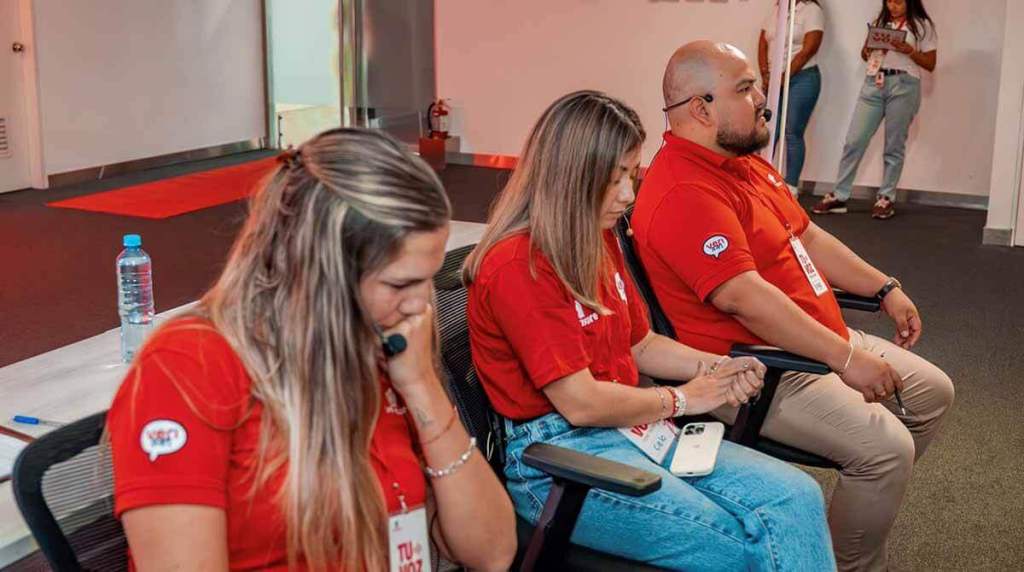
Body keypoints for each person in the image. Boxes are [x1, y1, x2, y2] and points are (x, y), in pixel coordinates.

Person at [106, 128, 516, 571]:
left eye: (427, 278)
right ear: (319, 273)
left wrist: (423, 390)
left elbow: (492, 552)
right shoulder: (188, 368)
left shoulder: (381, 348)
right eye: (401, 283)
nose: (421, 305)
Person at [464, 90, 835, 571]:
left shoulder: (595, 236)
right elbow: (581, 403)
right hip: (558, 459)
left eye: (630, 174)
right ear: (569, 178)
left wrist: (717, 369)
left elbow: (639, 343)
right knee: (742, 549)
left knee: (796, 498)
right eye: (612, 178)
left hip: (627, 427)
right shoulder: (519, 265)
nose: (628, 194)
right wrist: (685, 399)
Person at [633, 41, 954, 571]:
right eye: (745, 88)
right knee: (887, 451)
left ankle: (828, 539)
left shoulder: (743, 165)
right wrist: (846, 360)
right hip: (760, 369)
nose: (763, 98)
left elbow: (809, 236)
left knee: (932, 395)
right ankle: (841, 562)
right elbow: (746, 301)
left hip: (815, 338)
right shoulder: (685, 188)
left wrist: (883, 288)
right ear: (701, 108)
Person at [813, 0, 938, 219]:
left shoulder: (921, 25)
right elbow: (865, 54)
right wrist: (870, 48)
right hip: (874, 82)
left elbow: (930, 62)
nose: (893, 6)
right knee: (854, 140)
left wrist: (908, 50)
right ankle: (840, 194)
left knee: (894, 144)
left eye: (898, 2)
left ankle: (886, 196)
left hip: (904, 84)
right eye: (889, 1)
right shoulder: (879, 22)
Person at [758, 0, 825, 197]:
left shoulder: (812, 10)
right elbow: (763, 42)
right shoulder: (777, 9)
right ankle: (762, 180)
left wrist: (783, 77)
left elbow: (809, 49)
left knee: (792, 130)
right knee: (769, 131)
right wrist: (766, 74)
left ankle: (791, 186)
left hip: (802, 77)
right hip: (774, 78)